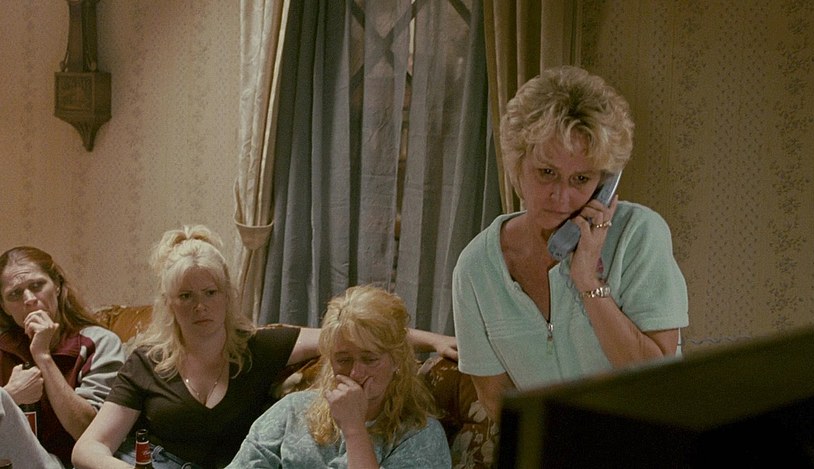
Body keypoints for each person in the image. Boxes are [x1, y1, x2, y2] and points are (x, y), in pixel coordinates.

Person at [73, 225, 456, 469]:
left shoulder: (259, 348)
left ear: (228, 296)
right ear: (168, 303)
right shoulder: (290, 412)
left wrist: (433, 339)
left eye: (210, 293)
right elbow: (88, 447)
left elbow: (360, 334)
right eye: (186, 296)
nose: (200, 307)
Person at [452, 65, 689, 421]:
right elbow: (496, 400)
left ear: (604, 181)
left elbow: (657, 382)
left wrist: (588, 283)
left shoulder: (640, 235)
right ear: (517, 165)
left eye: (581, 179)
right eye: (547, 173)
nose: (561, 197)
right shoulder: (475, 268)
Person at [227, 284, 452, 468]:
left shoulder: (421, 435)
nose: (355, 373)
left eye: (370, 359)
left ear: (397, 360)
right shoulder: (291, 411)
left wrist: (354, 428)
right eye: (344, 360)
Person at [0, 246, 126, 467]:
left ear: (57, 286)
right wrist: (10, 396)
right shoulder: (3, 347)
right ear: (4, 306)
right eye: (15, 294)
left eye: (37, 286)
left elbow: (90, 434)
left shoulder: (99, 342)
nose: (29, 299)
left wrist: (43, 356)